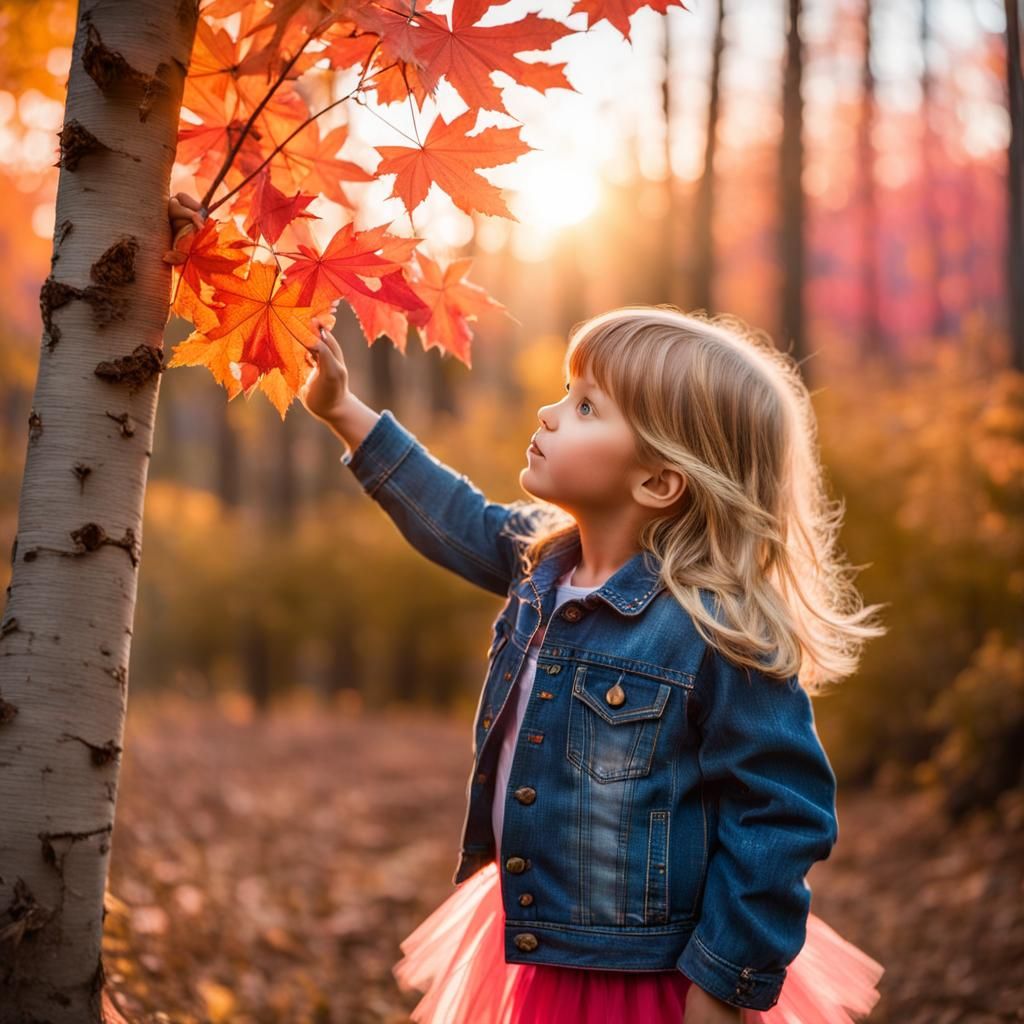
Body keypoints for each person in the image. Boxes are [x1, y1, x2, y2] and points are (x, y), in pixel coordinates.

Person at [166, 198, 887, 1023]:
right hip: (539, 936)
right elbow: (455, 516)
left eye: (587, 408)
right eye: (566, 392)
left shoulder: (715, 631)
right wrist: (340, 409)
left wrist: (722, 983)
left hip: (643, 970)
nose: (550, 413)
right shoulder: (546, 563)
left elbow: (783, 813)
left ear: (658, 481)